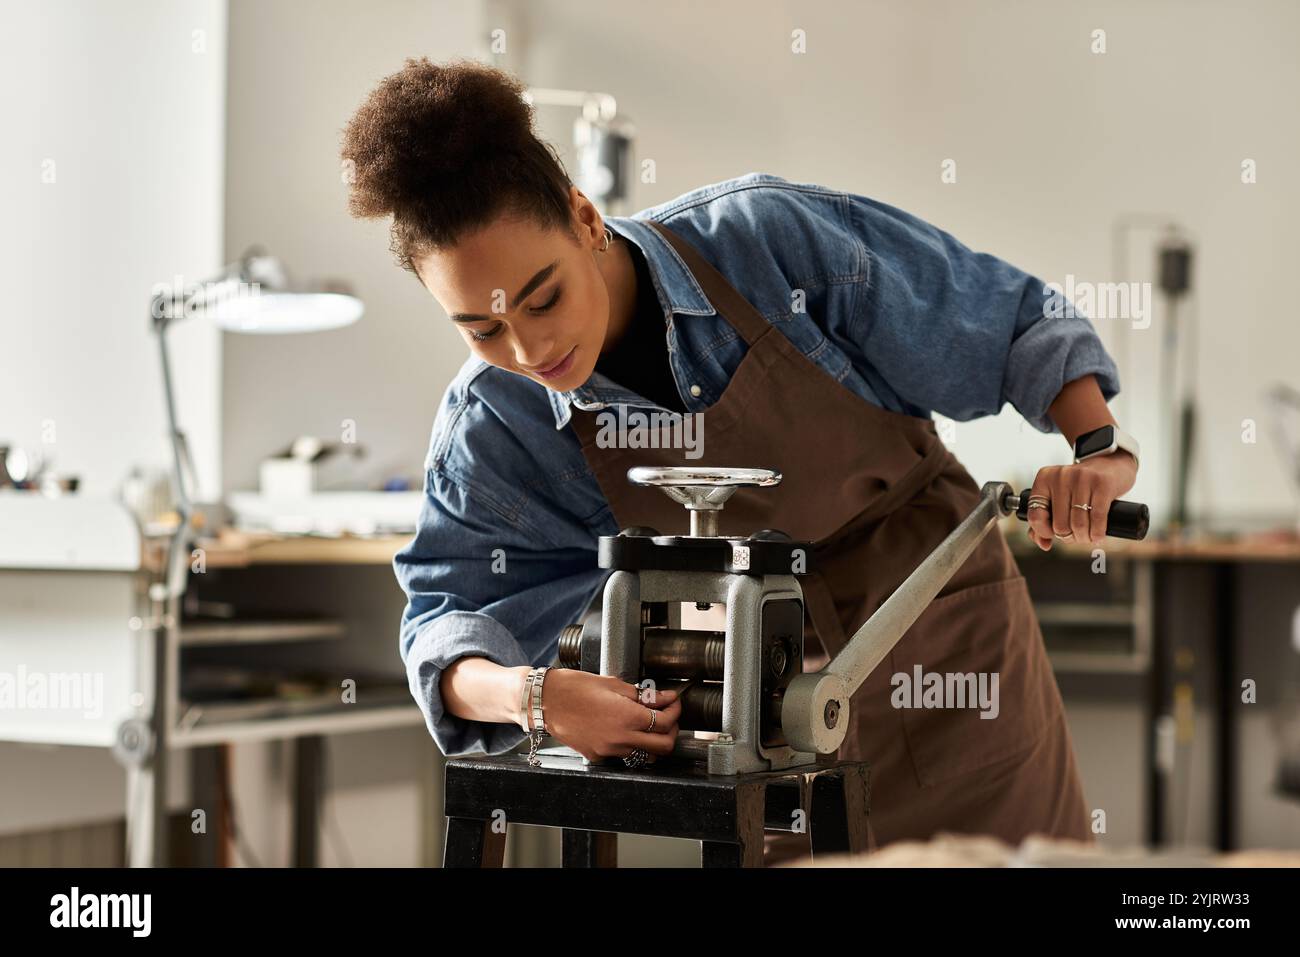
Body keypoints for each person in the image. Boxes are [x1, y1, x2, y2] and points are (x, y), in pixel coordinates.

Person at [340, 57, 1139, 863]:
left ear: (584, 217)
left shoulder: (766, 244)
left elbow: (1006, 320)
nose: (529, 346)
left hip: (944, 637)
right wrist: (534, 696)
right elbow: (444, 625)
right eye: (481, 328)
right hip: (760, 703)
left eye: (544, 297)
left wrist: (1097, 449)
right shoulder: (497, 420)